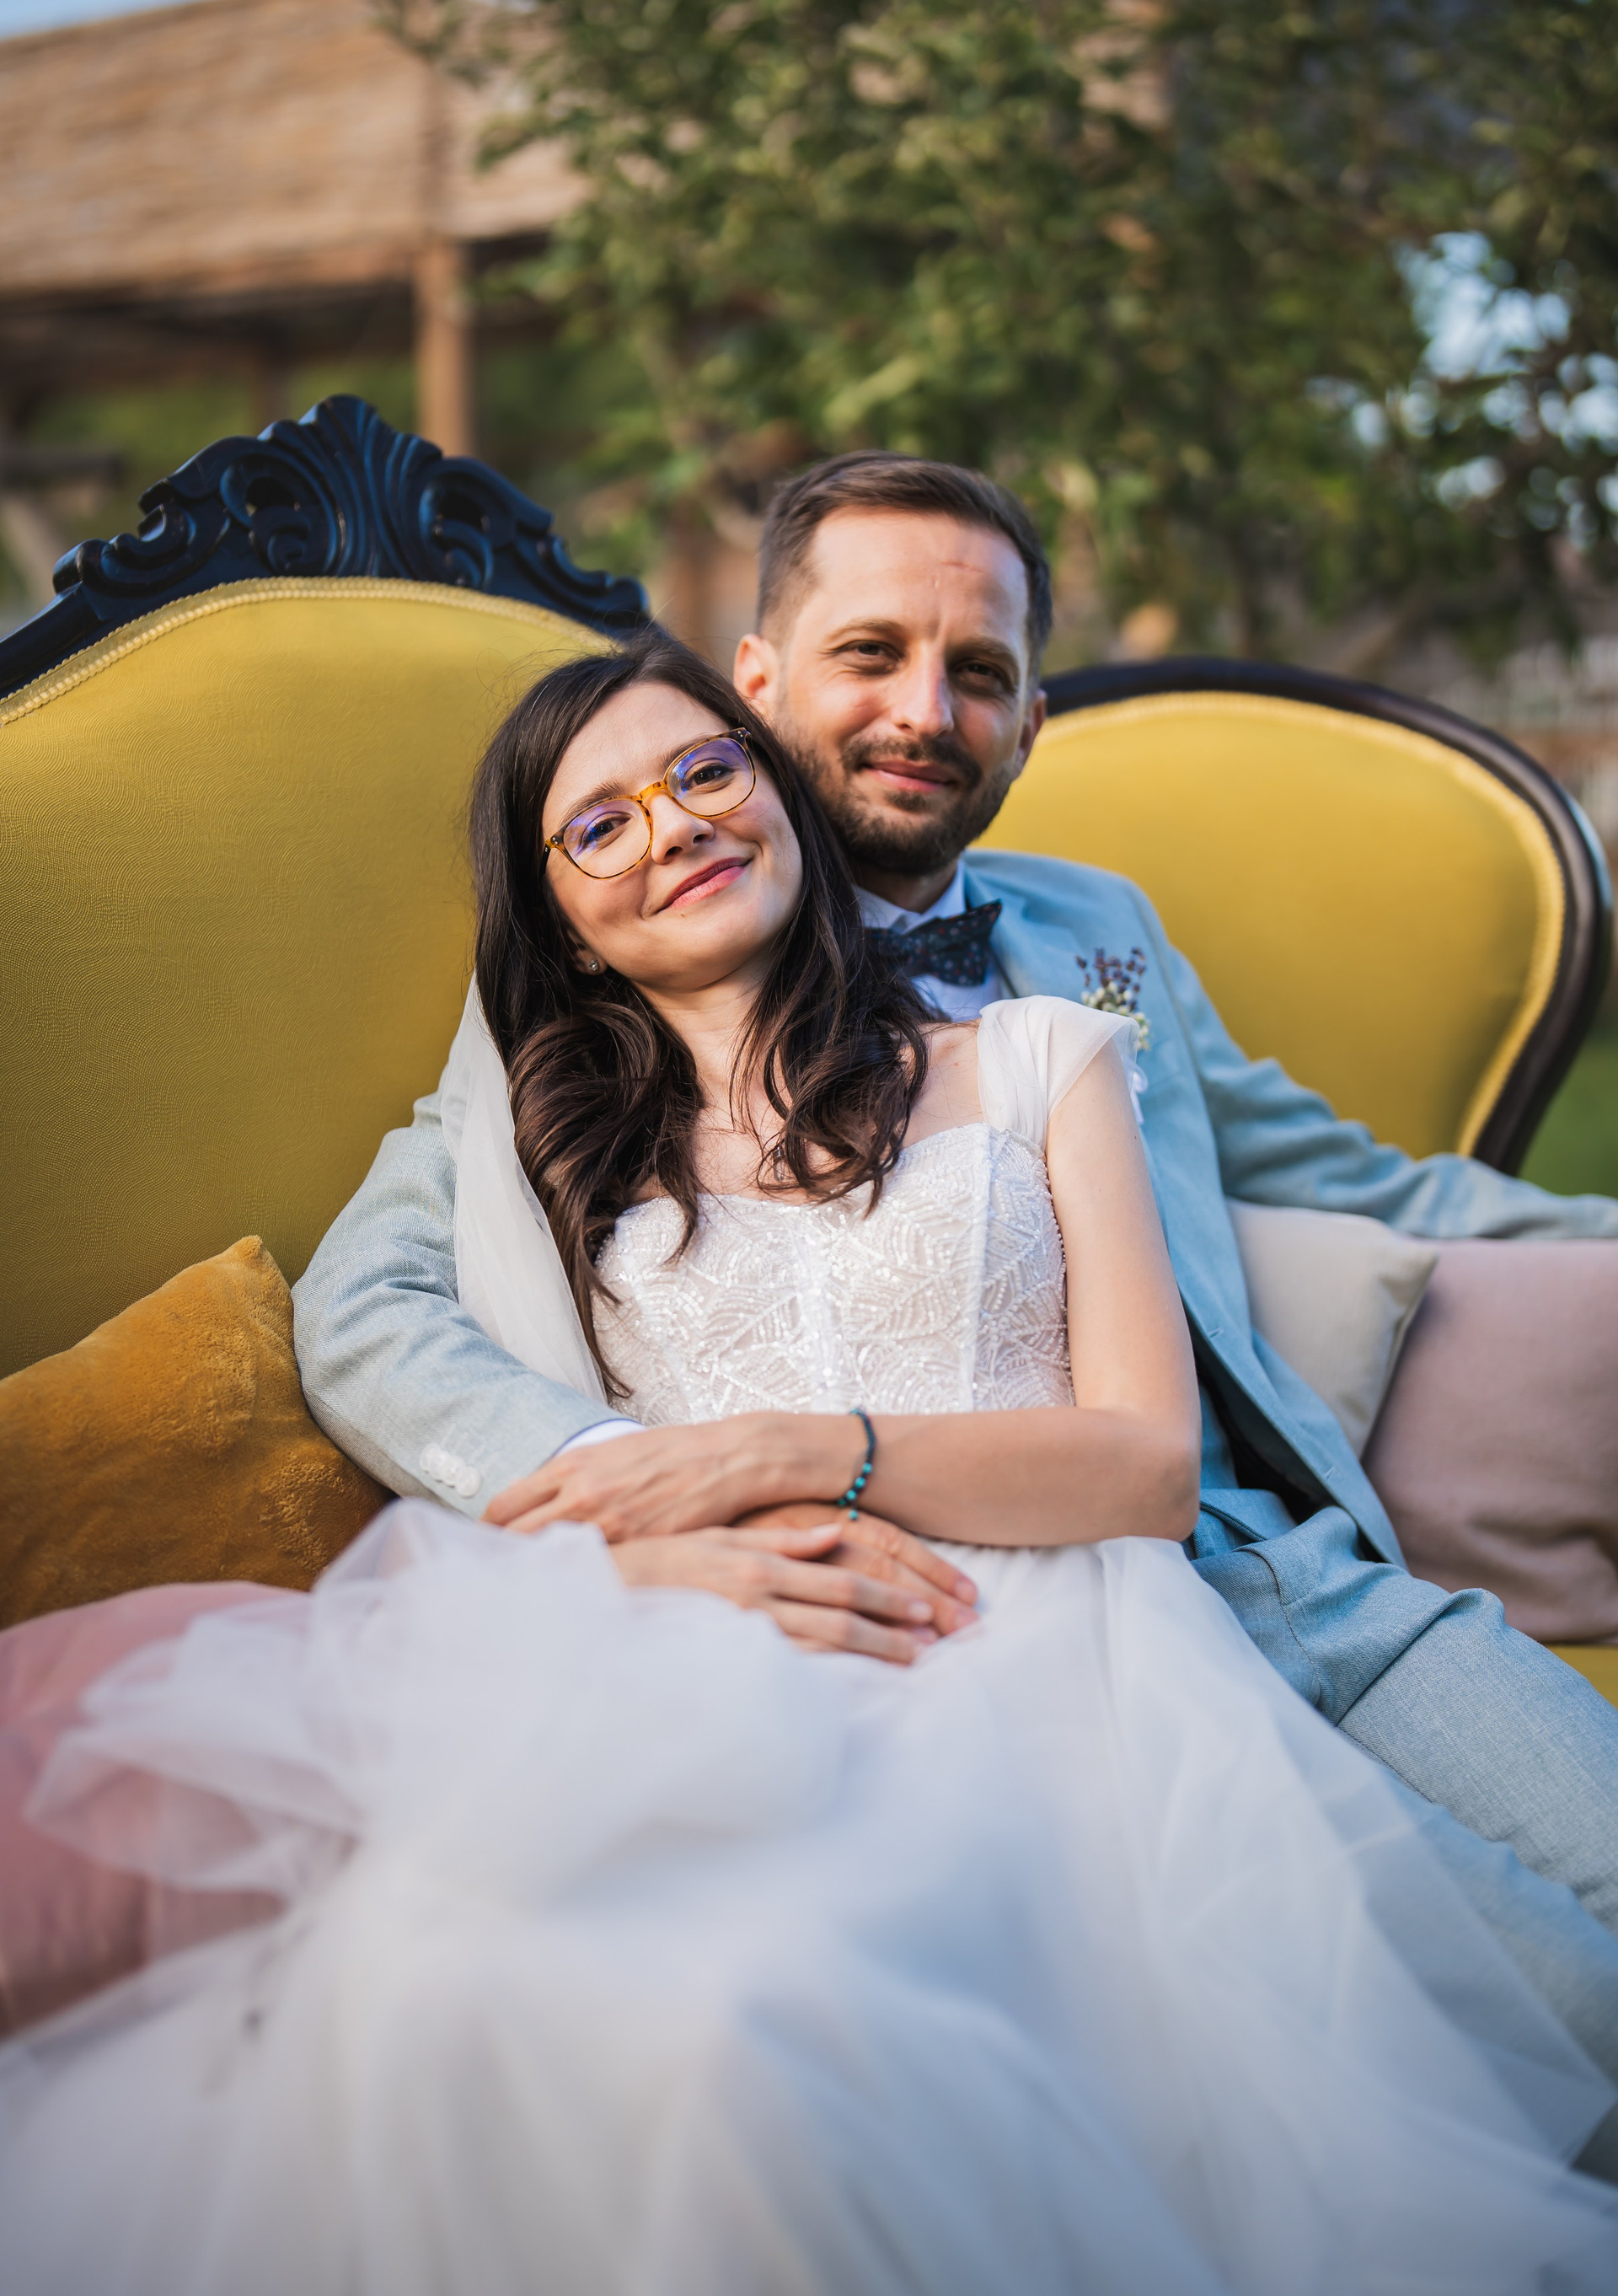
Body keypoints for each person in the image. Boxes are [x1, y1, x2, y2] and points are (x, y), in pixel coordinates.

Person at [6, 635, 1616, 2293]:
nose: (675, 824)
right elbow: (364, 1315)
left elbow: (1209, 1370)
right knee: (676, 2035)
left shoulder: (1066, 1014)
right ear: (568, 918)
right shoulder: (541, 1139)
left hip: (1148, 1615)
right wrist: (620, 1503)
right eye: (601, 825)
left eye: (702, 771)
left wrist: (780, 1452)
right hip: (757, 1660)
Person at [294, 452, 1618, 2130]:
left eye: (978, 671)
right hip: (948, 1632)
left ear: (1031, 719)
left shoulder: (1098, 939)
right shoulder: (612, 960)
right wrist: (638, 1495)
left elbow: (1353, 1178)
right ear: (757, 684)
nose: (926, 710)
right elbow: (367, 1304)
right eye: (870, 654)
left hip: (1277, 1565)